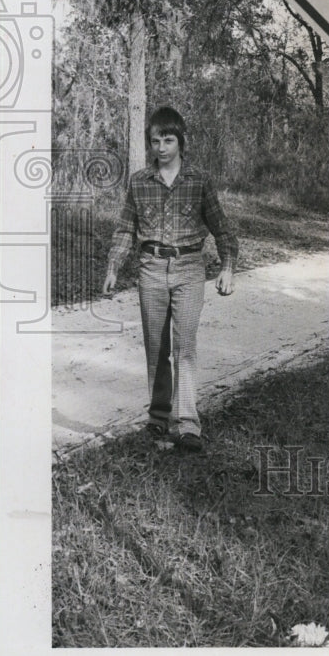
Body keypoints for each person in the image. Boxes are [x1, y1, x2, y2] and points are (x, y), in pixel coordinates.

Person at [102, 106, 238, 453]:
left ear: (181, 141)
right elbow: (125, 228)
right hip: (150, 269)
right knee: (156, 349)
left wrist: (228, 266)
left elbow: (221, 227)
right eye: (155, 141)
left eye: (168, 140)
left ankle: (188, 424)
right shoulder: (138, 182)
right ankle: (159, 418)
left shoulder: (199, 181)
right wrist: (113, 267)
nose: (161, 147)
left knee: (185, 348)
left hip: (190, 269)